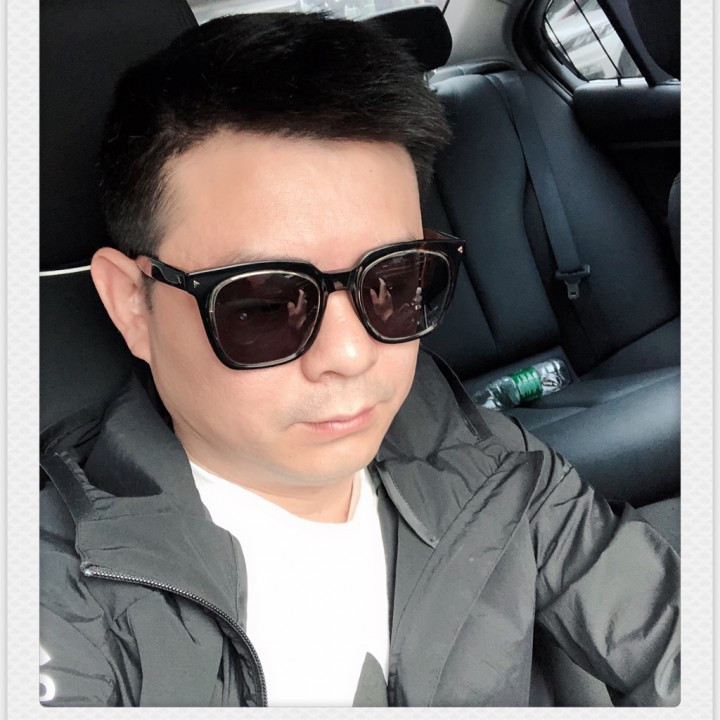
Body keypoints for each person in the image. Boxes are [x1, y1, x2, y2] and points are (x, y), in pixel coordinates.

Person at [39, 11, 679, 707]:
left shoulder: (473, 446)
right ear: (133, 304)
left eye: (395, 281)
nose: (352, 354)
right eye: (263, 303)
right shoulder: (61, 596)